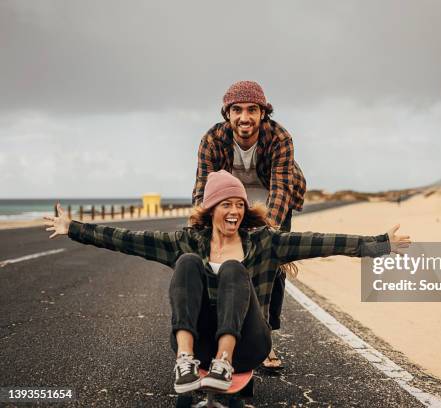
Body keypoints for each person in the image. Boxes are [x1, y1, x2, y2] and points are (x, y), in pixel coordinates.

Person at [44, 170, 411, 393]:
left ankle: (224, 361)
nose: (235, 210)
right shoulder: (188, 241)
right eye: (226, 204)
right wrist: (73, 228)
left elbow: (324, 242)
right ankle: (185, 361)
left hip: (249, 344)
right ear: (211, 210)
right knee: (187, 263)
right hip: (199, 341)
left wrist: (380, 244)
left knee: (236, 270)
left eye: (239, 203)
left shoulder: (264, 242)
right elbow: (128, 240)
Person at [192, 80, 306, 370]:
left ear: (263, 113)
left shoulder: (280, 137)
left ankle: (265, 340)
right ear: (227, 113)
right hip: (230, 195)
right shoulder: (212, 140)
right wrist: (201, 231)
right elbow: (203, 189)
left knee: (270, 261)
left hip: (271, 194)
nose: (245, 117)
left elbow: (281, 190)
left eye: (252, 110)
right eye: (237, 110)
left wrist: (268, 238)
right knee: (220, 259)